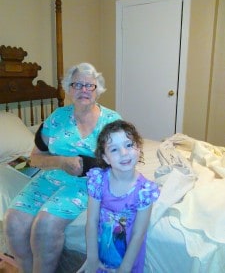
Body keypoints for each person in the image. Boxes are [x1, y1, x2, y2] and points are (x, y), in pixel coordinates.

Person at [3, 63, 121, 273]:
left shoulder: (112, 122)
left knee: (45, 225)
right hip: (50, 177)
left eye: (89, 85)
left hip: (88, 183)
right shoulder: (56, 118)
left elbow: (122, 163)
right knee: (13, 221)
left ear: (98, 90)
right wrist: (60, 162)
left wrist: (88, 164)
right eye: (77, 84)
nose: (83, 90)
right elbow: (35, 159)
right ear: (68, 88)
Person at [77, 120, 160, 273]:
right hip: (101, 256)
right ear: (106, 158)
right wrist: (92, 258)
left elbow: (138, 233)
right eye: (114, 149)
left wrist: (125, 268)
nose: (124, 153)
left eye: (129, 145)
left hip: (128, 262)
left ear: (139, 149)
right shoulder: (99, 181)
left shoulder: (144, 191)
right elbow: (92, 221)